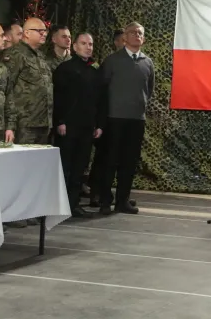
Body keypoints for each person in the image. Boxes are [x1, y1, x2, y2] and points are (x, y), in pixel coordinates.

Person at [98, 22, 155, 215]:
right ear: (125, 37)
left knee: (129, 162)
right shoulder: (112, 61)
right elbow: (102, 89)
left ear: (143, 38)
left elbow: (149, 89)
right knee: (110, 161)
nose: (137, 35)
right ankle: (105, 201)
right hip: (114, 118)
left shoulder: (148, 63)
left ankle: (122, 201)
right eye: (133, 32)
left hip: (137, 119)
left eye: (140, 33)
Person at [54, 33, 103, 217]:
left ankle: (73, 204)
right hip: (68, 126)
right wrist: (60, 121)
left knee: (80, 167)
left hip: (87, 126)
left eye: (90, 44)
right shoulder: (65, 69)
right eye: (84, 43)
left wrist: (99, 124)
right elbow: (58, 98)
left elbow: (100, 100)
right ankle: (60, 205)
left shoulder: (95, 71)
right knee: (65, 166)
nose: (88, 47)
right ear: (74, 47)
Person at [89, 28, 132, 208]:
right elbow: (101, 91)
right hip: (107, 117)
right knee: (103, 157)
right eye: (123, 40)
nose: (126, 43)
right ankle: (97, 193)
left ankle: (118, 196)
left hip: (123, 117)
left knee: (122, 158)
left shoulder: (133, 63)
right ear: (116, 42)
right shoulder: (110, 62)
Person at [5, 18, 53, 145]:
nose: (44, 34)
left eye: (45, 31)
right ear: (26, 33)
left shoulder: (40, 56)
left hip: (43, 122)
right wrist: (10, 124)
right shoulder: (15, 54)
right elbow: (7, 88)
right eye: (40, 31)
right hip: (23, 123)